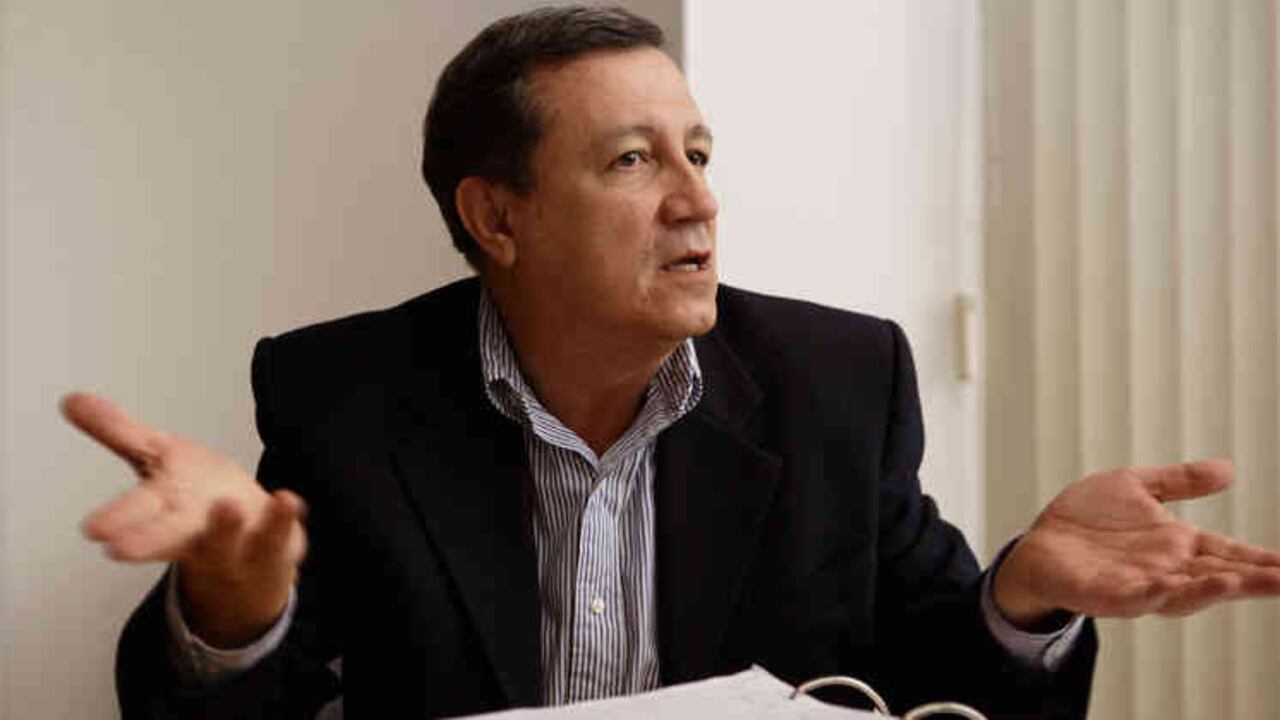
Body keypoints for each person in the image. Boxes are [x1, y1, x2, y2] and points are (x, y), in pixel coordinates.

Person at [64, 6, 1280, 719]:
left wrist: (1024, 602)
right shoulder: (347, 395)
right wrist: (230, 609)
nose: (698, 199)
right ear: (497, 218)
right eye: (633, 161)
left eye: (697, 152)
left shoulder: (834, 379)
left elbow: (933, 685)